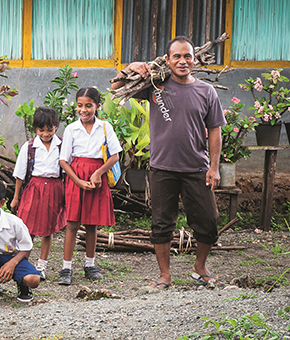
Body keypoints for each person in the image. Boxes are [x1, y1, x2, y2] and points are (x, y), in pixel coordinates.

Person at [112, 36, 226, 288]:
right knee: (161, 224)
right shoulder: (155, 85)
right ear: (167, 60)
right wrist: (131, 67)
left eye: (187, 56)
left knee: (208, 222)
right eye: (177, 56)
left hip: (197, 167)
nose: (182, 61)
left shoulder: (206, 91)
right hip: (162, 168)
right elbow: (116, 87)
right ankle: (164, 274)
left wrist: (214, 167)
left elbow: (215, 130)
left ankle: (200, 267)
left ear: (195, 59)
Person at [58, 87, 121, 285]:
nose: (83, 110)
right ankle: (66, 268)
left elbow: (115, 156)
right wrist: (77, 181)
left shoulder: (105, 127)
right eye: (79, 105)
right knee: (72, 223)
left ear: (97, 106)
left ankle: (90, 264)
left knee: (92, 224)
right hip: (75, 177)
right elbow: (63, 161)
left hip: (97, 178)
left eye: (88, 106)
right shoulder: (71, 129)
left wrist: (98, 173)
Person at [11, 107, 66, 280]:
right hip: (33, 189)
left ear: (56, 126)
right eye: (41, 130)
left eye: (49, 129)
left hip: (54, 189)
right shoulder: (29, 147)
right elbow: (20, 174)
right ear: (35, 129)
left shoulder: (62, 145)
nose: (45, 133)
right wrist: (15, 197)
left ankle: (42, 266)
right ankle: (24, 264)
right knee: (27, 228)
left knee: (47, 229)